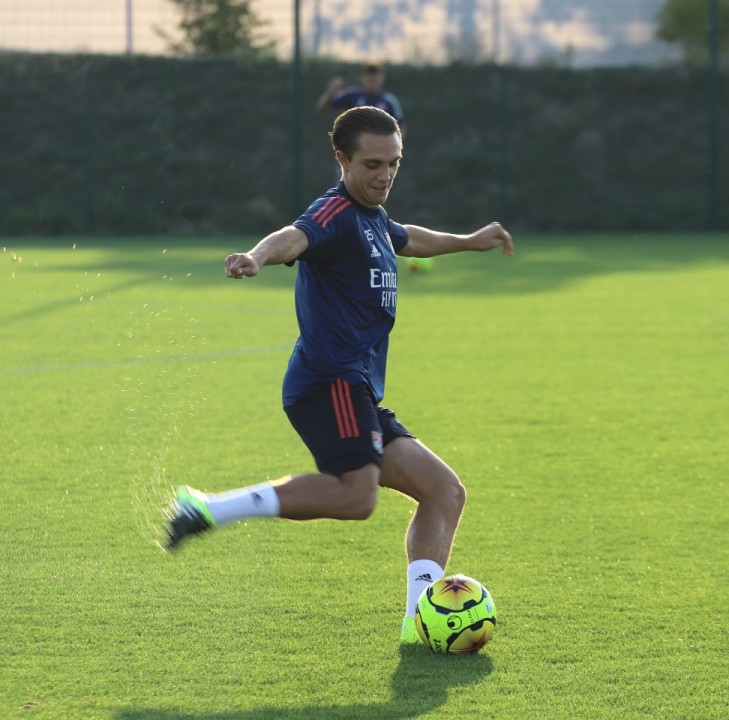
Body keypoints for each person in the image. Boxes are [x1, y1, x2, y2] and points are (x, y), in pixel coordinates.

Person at [164, 106, 513, 646]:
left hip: (357, 389)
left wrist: (470, 240)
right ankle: (207, 508)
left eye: (394, 163)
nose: (385, 174)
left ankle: (418, 618)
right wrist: (257, 257)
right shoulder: (336, 211)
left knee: (443, 491)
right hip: (330, 381)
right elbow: (295, 236)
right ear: (342, 159)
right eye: (373, 163)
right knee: (357, 497)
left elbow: (409, 238)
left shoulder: (373, 218)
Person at [316, 62, 405, 134]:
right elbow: (323, 108)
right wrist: (331, 91)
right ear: (362, 77)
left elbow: (401, 128)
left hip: (379, 150)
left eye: (375, 76)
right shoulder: (352, 95)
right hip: (354, 148)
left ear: (382, 78)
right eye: (369, 75)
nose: (372, 78)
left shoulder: (389, 100)